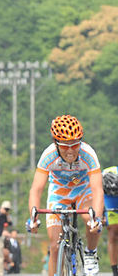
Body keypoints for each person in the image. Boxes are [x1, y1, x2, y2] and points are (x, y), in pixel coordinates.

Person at [27, 115, 103, 276]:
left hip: (83, 191)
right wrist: (33, 218)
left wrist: (96, 218)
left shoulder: (88, 154)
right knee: (54, 246)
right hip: (59, 194)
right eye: (64, 145)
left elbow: (97, 189)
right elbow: (36, 189)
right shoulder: (48, 155)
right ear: (56, 143)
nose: (70, 150)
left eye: (75, 144)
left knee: (90, 218)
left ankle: (90, 253)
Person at [103, 166, 118, 276]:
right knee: (113, 233)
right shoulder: (106, 173)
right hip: (110, 198)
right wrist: (101, 214)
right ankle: (114, 270)